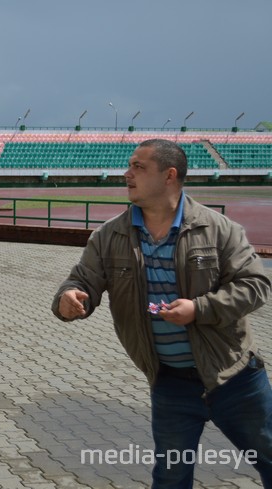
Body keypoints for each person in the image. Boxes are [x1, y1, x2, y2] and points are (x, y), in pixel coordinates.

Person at [51, 139, 272, 487]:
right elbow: (83, 279)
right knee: (170, 478)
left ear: (169, 175)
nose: (127, 174)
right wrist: (69, 297)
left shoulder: (218, 229)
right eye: (129, 166)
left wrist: (199, 309)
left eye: (138, 166)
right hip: (170, 384)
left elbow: (256, 285)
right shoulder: (111, 235)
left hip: (236, 380)